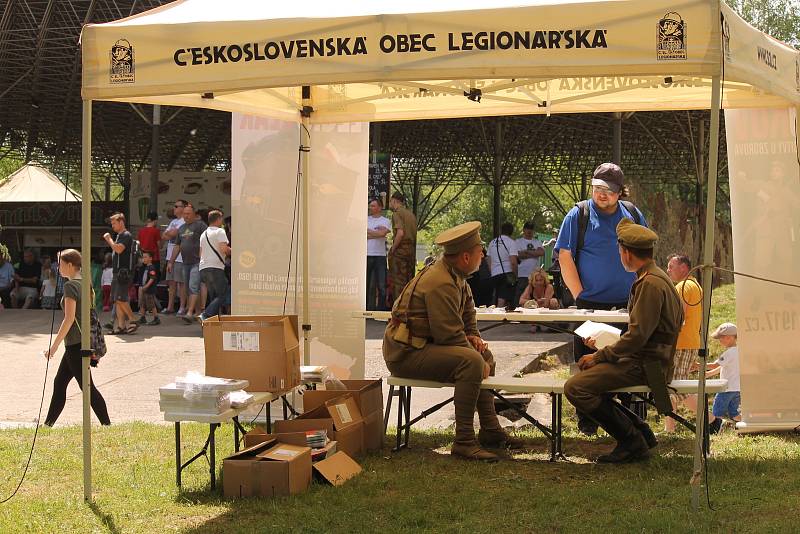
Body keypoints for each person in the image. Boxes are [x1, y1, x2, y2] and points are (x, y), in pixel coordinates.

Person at [383, 221, 523, 462]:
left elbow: (468, 321)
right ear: (466, 256)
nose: (483, 256)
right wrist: (473, 352)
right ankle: (464, 441)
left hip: (422, 346)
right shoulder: (441, 281)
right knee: (471, 362)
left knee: (482, 356)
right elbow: (448, 335)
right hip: (405, 354)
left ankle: (490, 430)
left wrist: (476, 340)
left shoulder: (457, 277)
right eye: (481, 252)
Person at [564, 219, 683, 463]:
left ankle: (631, 440)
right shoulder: (656, 276)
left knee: (575, 387)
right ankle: (639, 430)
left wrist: (599, 355)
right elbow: (644, 334)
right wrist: (605, 348)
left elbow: (637, 337)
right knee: (591, 378)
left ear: (627, 253)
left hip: (648, 366)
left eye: (619, 251)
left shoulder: (649, 283)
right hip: (650, 361)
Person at [554, 162, 647, 435]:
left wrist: (641, 288)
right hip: (590, 306)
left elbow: (645, 251)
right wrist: (580, 295)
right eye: (596, 188)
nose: (601, 194)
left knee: (627, 360)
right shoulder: (578, 214)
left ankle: (632, 420)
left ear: (620, 192)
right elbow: (564, 255)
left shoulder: (631, 214)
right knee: (588, 362)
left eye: (607, 190)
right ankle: (588, 419)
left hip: (628, 305)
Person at [43, 249, 111, 427]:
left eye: (60, 264)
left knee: (87, 387)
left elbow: (69, 318)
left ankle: (107, 424)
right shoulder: (84, 282)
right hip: (80, 342)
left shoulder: (70, 286)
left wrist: (54, 347)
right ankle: (48, 424)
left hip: (76, 344)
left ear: (70, 265)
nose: (58, 268)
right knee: (60, 383)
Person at [664, 253, 702, 433]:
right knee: (672, 386)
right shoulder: (694, 285)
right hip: (688, 342)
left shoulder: (683, 286)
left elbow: (678, 317)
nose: (668, 270)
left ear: (684, 268)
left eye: (671, 267)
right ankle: (669, 428)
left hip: (681, 343)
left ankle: (711, 421)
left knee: (677, 388)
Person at [169, 203, 207, 322]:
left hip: (197, 262)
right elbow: (177, 246)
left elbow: (208, 238)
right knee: (188, 289)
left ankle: (189, 313)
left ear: (194, 214)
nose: (186, 216)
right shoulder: (181, 228)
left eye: (188, 214)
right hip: (185, 263)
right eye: (184, 214)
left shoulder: (200, 225)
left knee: (193, 286)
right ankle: (198, 312)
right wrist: (171, 261)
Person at [103, 212, 138, 335]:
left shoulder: (126, 235)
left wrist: (109, 240)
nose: (112, 226)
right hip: (118, 272)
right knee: (117, 300)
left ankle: (133, 319)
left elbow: (118, 249)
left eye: (114, 223)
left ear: (121, 222)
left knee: (121, 298)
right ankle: (120, 326)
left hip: (123, 273)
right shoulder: (120, 236)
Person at [706, 323, 740, 434]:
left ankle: (716, 430)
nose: (719, 341)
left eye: (721, 338)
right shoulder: (738, 351)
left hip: (727, 389)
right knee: (734, 413)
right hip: (737, 389)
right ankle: (743, 425)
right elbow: (721, 367)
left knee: (716, 411)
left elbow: (715, 365)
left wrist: (698, 365)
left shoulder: (729, 353)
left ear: (729, 338)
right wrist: (709, 374)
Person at [199, 210, 230, 321]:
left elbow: (200, 253)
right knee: (223, 293)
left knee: (214, 297)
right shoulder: (220, 231)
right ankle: (206, 315)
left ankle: (211, 326)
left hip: (203, 267)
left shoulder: (203, 234)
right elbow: (224, 249)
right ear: (218, 219)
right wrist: (234, 251)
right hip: (215, 267)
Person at [387, 191, 417, 301]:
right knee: (409, 282)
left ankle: (398, 309)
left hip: (400, 252)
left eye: (390, 201)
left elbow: (400, 233)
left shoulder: (396, 214)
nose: (390, 204)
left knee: (398, 282)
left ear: (394, 201)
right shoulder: (411, 215)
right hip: (411, 251)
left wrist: (393, 249)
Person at [162, 199, 188, 315]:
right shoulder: (173, 221)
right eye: (174, 206)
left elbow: (172, 234)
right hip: (170, 258)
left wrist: (171, 233)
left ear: (184, 208)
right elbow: (164, 236)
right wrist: (171, 233)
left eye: (177, 206)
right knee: (171, 283)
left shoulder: (185, 221)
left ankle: (182, 307)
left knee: (181, 283)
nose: (174, 208)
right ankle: (170, 307)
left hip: (180, 257)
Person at [366, 198, 391, 311]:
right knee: (366, 284)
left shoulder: (385, 220)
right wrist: (378, 234)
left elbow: (383, 234)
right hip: (366, 254)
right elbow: (362, 234)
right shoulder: (365, 219)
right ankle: (366, 309)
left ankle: (381, 310)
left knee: (381, 284)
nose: (370, 208)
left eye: (373, 206)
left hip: (380, 256)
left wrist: (370, 232)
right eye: (370, 206)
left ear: (380, 207)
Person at [487, 222, 518, 308]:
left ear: (501, 231)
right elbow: (513, 262)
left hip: (494, 273)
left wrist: (492, 271)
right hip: (507, 273)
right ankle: (499, 316)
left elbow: (488, 260)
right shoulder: (511, 243)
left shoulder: (492, 242)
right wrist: (515, 275)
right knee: (503, 297)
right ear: (511, 232)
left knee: (496, 296)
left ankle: (494, 312)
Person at [514, 221, 545, 305]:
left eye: (531, 229)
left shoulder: (537, 242)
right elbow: (518, 255)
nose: (529, 231)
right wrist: (534, 253)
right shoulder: (518, 241)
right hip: (522, 274)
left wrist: (526, 252)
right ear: (524, 230)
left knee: (534, 297)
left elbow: (541, 252)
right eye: (527, 229)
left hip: (535, 276)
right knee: (520, 296)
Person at [136, 251, 160, 325]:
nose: (144, 259)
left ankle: (156, 318)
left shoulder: (151, 268)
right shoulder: (146, 267)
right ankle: (143, 318)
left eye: (146, 257)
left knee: (151, 304)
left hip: (149, 290)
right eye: (143, 257)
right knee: (142, 304)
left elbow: (152, 278)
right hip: (144, 289)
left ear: (150, 258)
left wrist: (146, 286)